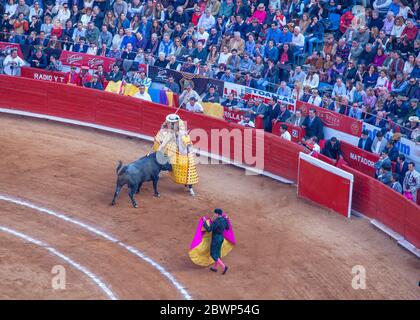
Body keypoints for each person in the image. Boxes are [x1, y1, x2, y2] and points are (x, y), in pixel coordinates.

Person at [152, 114, 199, 196]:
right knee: (161, 149)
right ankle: (159, 167)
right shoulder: (169, 126)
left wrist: (176, 133)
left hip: (182, 149)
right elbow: (165, 132)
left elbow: (185, 140)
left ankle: (190, 188)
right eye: (170, 122)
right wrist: (164, 127)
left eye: (172, 122)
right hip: (173, 146)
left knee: (189, 168)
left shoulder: (181, 127)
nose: (171, 123)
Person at [202, 208, 230, 274]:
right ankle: (215, 268)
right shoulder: (224, 219)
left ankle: (224, 266)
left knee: (213, 254)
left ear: (217, 214)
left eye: (215, 213)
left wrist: (204, 222)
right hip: (221, 238)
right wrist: (226, 219)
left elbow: (209, 229)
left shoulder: (216, 221)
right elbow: (227, 228)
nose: (214, 214)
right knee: (217, 253)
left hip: (216, 238)